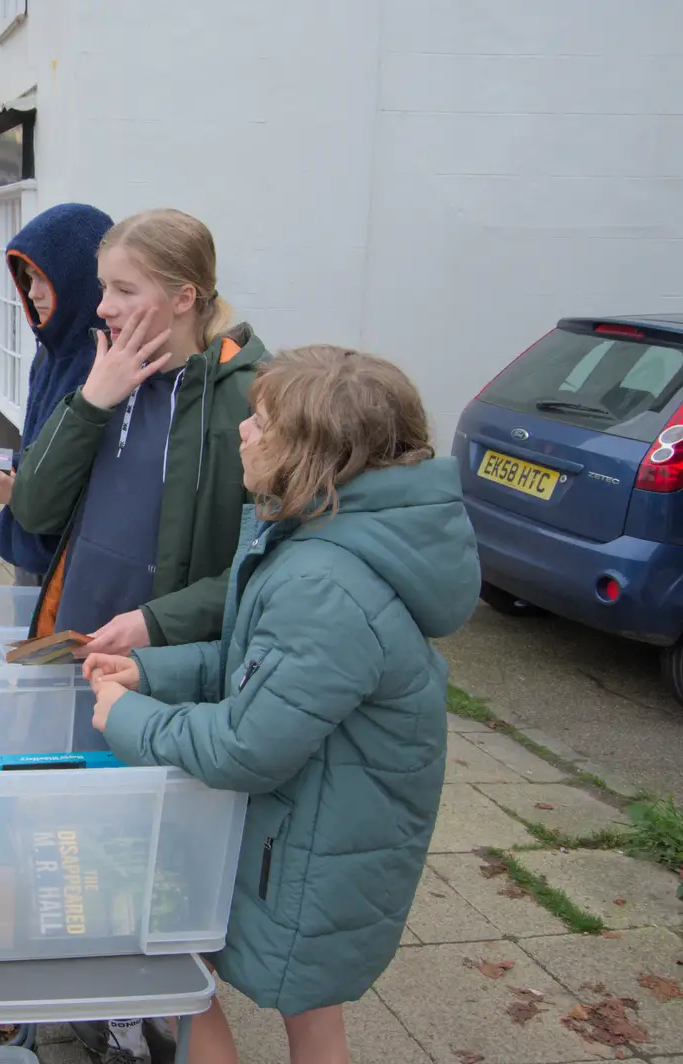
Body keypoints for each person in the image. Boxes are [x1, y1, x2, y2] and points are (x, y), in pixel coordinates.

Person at [86, 346, 481, 1064]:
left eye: (260, 423)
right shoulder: (322, 533)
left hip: (310, 848)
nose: (243, 431)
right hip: (325, 825)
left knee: (178, 968)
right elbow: (257, 665)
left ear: (310, 456)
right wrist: (148, 671)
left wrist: (126, 718)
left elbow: (246, 745)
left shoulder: (324, 581)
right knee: (310, 1010)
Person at [7, 208, 268, 665]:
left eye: (124, 290)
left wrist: (159, 623)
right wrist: (90, 403)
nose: (103, 306)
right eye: (104, 287)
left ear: (183, 298)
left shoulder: (252, 399)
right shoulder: (102, 375)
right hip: (76, 641)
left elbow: (267, 561)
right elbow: (34, 507)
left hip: (166, 666)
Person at [0, 203, 114, 586]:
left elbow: (92, 478)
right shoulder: (50, 350)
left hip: (66, 565)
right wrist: (0, 465)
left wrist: (15, 491)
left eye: (45, 278)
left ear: (79, 279)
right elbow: (43, 450)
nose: (33, 292)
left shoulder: (106, 366)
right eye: (27, 278)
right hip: (29, 547)